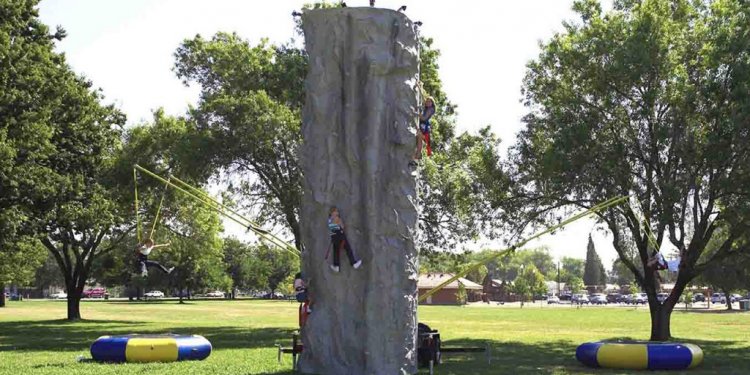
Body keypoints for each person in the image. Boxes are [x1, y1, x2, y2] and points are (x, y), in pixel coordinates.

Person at [327, 207, 362, 272]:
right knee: (348, 249)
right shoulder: (337, 219)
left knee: (336, 252)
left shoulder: (329, 220)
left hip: (334, 237)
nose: (337, 213)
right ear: (333, 213)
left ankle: (336, 265)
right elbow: (342, 226)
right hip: (340, 236)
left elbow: (331, 229)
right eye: (336, 211)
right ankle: (353, 263)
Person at [412, 96, 436, 163]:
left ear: (432, 103)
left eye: (429, 101)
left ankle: (418, 155)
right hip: (423, 125)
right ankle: (418, 156)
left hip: (424, 125)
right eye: (427, 101)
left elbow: (424, 118)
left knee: (419, 138)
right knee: (419, 139)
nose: (427, 102)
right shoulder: (427, 108)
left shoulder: (431, 109)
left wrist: (415, 113)